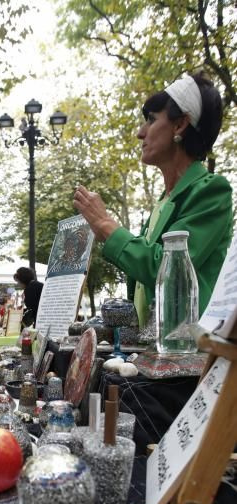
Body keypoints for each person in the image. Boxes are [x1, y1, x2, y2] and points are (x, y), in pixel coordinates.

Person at [74, 72, 233, 328]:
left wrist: (105, 224)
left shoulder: (212, 191)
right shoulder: (164, 201)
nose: (140, 132)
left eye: (151, 120)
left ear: (180, 125)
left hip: (189, 358)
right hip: (155, 352)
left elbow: (168, 270)